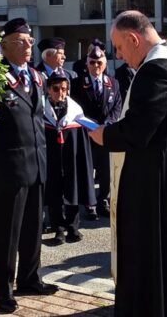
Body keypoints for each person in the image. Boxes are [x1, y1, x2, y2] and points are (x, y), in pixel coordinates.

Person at [88, 10, 167, 316]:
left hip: (155, 181)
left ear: (134, 38)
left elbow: (137, 130)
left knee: (155, 258)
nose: (118, 56)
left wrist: (104, 134)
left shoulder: (156, 70)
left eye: (119, 48)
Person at [0, 18, 57, 314]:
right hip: (9, 169)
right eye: (21, 41)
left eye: (30, 41)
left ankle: (30, 278)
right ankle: (3, 291)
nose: (28, 46)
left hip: (37, 164)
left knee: (32, 228)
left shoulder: (38, 78)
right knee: (6, 233)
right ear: (4, 46)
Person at [43, 70, 96, 244]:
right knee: (54, 192)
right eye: (56, 89)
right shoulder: (42, 112)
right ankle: (58, 229)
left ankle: (73, 228)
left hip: (71, 158)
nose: (61, 93)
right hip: (51, 159)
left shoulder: (75, 111)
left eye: (64, 89)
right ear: (49, 90)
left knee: (72, 189)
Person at [71, 46, 122, 220]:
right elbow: (76, 108)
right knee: (88, 171)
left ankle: (103, 201)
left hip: (105, 135)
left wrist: (107, 125)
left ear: (105, 63)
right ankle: (89, 204)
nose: (96, 65)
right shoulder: (78, 84)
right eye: (92, 62)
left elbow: (117, 107)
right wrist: (91, 125)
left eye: (99, 62)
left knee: (106, 170)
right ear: (87, 64)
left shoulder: (113, 82)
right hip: (86, 134)